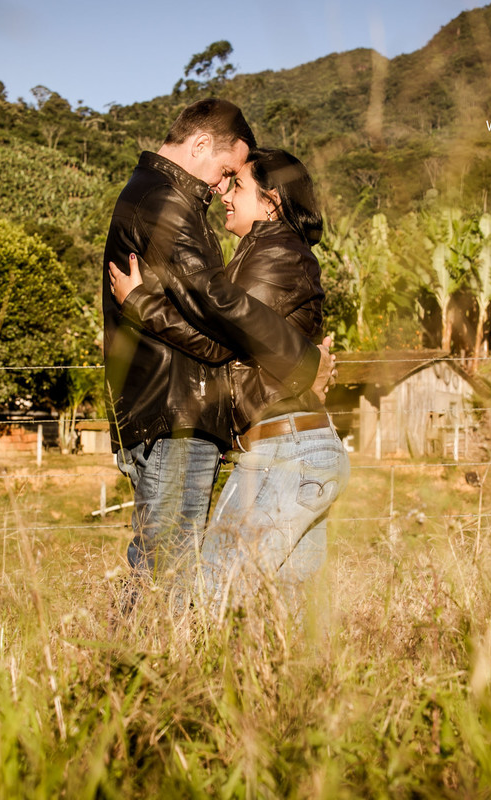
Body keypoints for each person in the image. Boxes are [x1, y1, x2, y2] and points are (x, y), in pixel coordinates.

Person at [102, 100, 334, 608]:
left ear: (272, 201)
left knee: (181, 577)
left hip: (199, 420)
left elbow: (222, 323)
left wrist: (144, 304)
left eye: (236, 180)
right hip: (175, 411)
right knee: (179, 578)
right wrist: (304, 360)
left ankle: (137, 674)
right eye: (225, 172)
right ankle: (142, 676)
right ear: (201, 145)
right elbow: (218, 309)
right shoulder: (167, 202)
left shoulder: (181, 207)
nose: (222, 188)